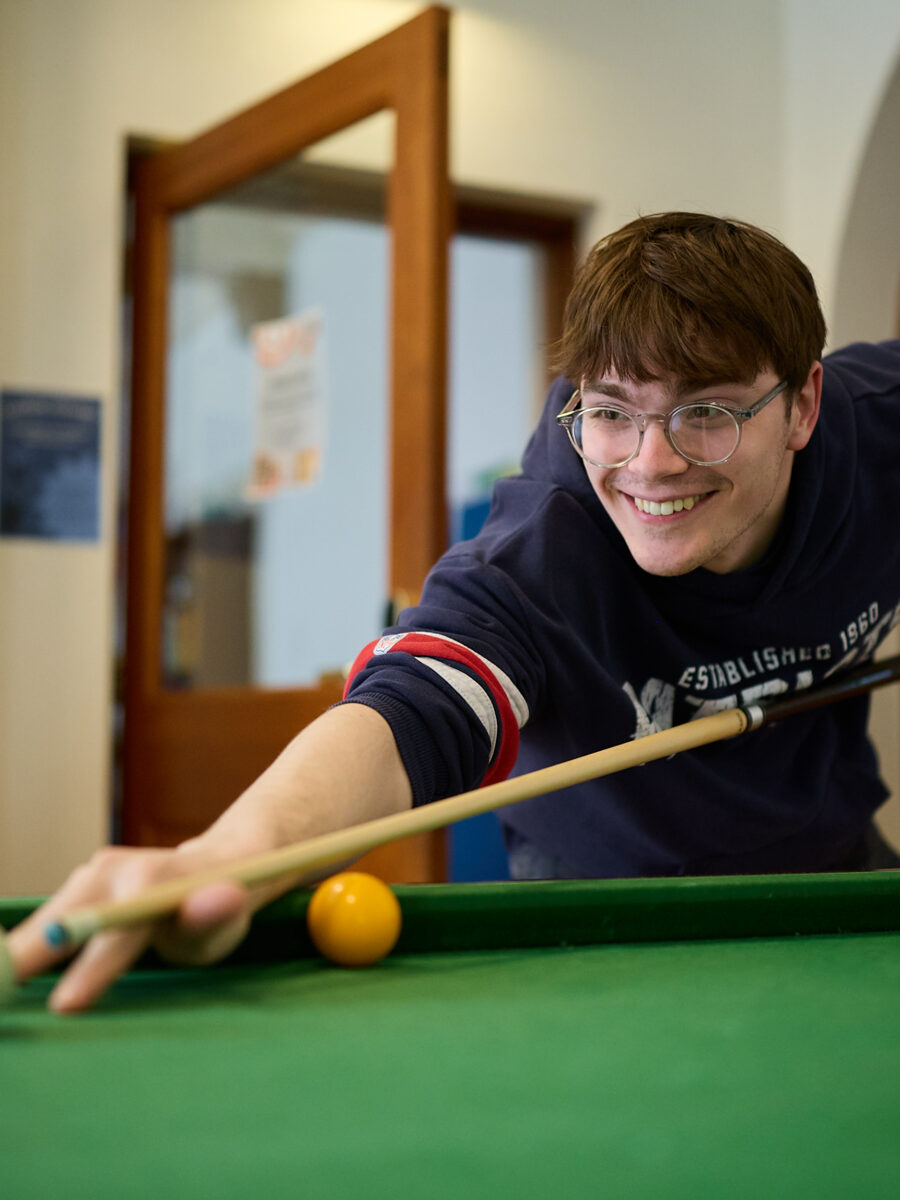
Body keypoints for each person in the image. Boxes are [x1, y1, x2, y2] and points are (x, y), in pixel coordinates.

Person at [8, 211, 900, 1011]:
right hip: (600, 872)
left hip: (824, 845)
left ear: (802, 406)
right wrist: (231, 856)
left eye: (706, 413)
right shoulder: (549, 541)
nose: (650, 463)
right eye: (611, 413)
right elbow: (420, 701)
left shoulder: (883, 438)